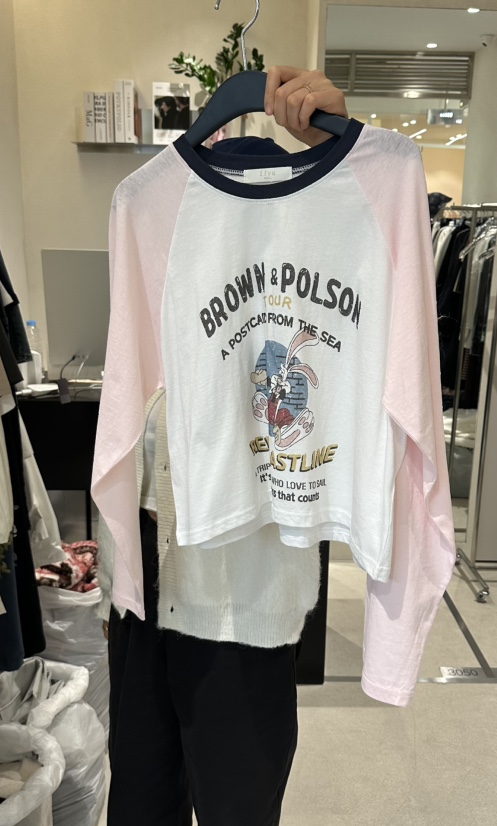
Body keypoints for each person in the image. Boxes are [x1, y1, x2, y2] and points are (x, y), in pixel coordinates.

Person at [102, 66, 349, 826]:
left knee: (236, 794)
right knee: (141, 791)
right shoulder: (148, 204)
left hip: (247, 578)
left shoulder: (337, 216)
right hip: (150, 559)